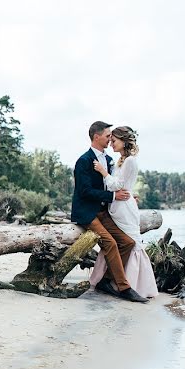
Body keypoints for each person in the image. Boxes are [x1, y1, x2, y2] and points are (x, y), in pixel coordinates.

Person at [70, 121, 149, 303]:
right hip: (87, 213)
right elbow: (84, 192)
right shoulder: (83, 161)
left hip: (105, 212)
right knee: (111, 244)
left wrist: (127, 196)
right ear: (96, 137)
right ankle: (124, 287)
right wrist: (114, 197)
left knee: (128, 243)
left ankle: (106, 280)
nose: (109, 140)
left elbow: (118, 181)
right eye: (107, 136)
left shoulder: (110, 160)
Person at [90, 126, 158, 298]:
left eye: (114, 141)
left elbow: (117, 185)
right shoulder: (121, 160)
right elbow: (117, 184)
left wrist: (102, 171)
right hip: (116, 207)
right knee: (117, 243)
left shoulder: (130, 161)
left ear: (124, 141)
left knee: (132, 243)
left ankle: (136, 284)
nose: (111, 144)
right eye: (110, 140)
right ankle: (107, 280)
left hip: (124, 209)